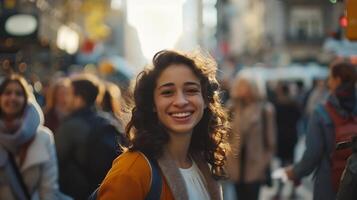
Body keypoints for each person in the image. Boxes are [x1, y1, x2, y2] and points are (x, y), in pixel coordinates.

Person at [97, 50, 230, 199]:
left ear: (205, 100)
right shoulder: (132, 170)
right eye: (167, 92)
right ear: (152, 103)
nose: (181, 101)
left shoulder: (204, 165)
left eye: (191, 90)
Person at [283, 61, 357, 200]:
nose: (328, 82)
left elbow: (312, 155)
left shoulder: (321, 112)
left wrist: (294, 173)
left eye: (330, 78)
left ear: (337, 80)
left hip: (329, 184)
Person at [55, 74, 123, 200]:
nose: (65, 98)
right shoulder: (109, 121)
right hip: (106, 192)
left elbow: (54, 164)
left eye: (69, 94)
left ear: (79, 98)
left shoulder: (70, 126)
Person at [0, 74, 63, 199]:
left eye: (18, 94)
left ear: (26, 100)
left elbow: (49, 189)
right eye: (7, 93)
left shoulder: (44, 137)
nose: (13, 97)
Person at [227, 76, 276, 200]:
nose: (242, 89)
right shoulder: (231, 107)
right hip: (235, 166)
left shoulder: (265, 110)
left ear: (253, 88)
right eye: (240, 85)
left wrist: (263, 164)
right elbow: (226, 136)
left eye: (246, 85)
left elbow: (271, 143)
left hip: (255, 166)